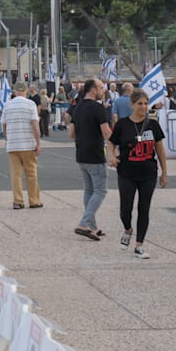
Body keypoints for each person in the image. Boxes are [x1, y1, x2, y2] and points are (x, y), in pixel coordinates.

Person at [108, 90, 167, 258]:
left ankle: (139, 245)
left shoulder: (153, 124)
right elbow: (111, 143)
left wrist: (164, 172)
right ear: (132, 105)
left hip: (148, 172)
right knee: (125, 209)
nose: (143, 107)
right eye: (140, 103)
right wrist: (111, 156)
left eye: (146, 103)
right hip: (127, 172)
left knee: (144, 208)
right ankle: (127, 229)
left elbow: (160, 149)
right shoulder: (122, 124)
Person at [69, 78, 114, 240]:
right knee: (101, 190)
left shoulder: (77, 107)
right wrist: (114, 151)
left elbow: (71, 134)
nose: (104, 90)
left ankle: (92, 227)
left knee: (89, 190)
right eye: (101, 87)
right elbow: (107, 132)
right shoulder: (98, 107)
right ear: (93, 90)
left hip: (81, 153)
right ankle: (84, 223)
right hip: (95, 153)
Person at [1, 88, 43, 210]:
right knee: (31, 173)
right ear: (25, 91)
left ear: (15, 92)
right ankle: (34, 200)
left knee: (16, 174)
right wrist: (38, 142)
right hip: (28, 144)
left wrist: (7, 139)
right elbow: (35, 124)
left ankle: (18, 201)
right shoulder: (30, 104)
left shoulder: (7, 105)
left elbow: (4, 125)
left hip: (13, 144)